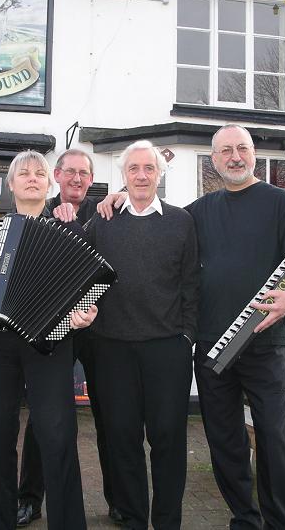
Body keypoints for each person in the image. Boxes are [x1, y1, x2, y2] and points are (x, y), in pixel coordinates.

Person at [0, 150, 98, 530]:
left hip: (50, 341)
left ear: (49, 182)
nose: (33, 178)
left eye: (39, 173)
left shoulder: (69, 230)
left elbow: (88, 286)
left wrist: (85, 312)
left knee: (57, 433)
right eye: (24, 173)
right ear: (11, 183)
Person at [187, 124, 285, 529]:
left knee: (273, 439)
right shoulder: (199, 211)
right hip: (211, 344)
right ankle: (245, 518)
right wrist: (117, 196)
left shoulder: (279, 203)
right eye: (225, 150)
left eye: (241, 148)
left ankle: (280, 521)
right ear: (214, 159)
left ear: (254, 153)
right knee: (224, 440)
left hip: (265, 341)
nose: (234, 156)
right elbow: (156, 218)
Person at [85, 140, 200, 530]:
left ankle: (167, 522)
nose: (141, 175)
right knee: (122, 439)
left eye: (148, 168)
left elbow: (190, 284)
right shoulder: (103, 220)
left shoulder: (181, 221)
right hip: (112, 348)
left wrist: (187, 337)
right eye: (133, 168)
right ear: (123, 176)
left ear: (159, 174)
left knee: (168, 440)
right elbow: (78, 270)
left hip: (167, 349)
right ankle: (134, 519)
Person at [16, 149, 121, 526]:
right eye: (70, 172)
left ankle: (118, 500)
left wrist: (120, 195)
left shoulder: (106, 211)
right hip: (55, 332)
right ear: (56, 175)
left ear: (92, 180)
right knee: (44, 418)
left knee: (108, 414)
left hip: (101, 331)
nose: (77, 179)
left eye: (84, 174)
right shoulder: (39, 211)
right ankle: (29, 498)